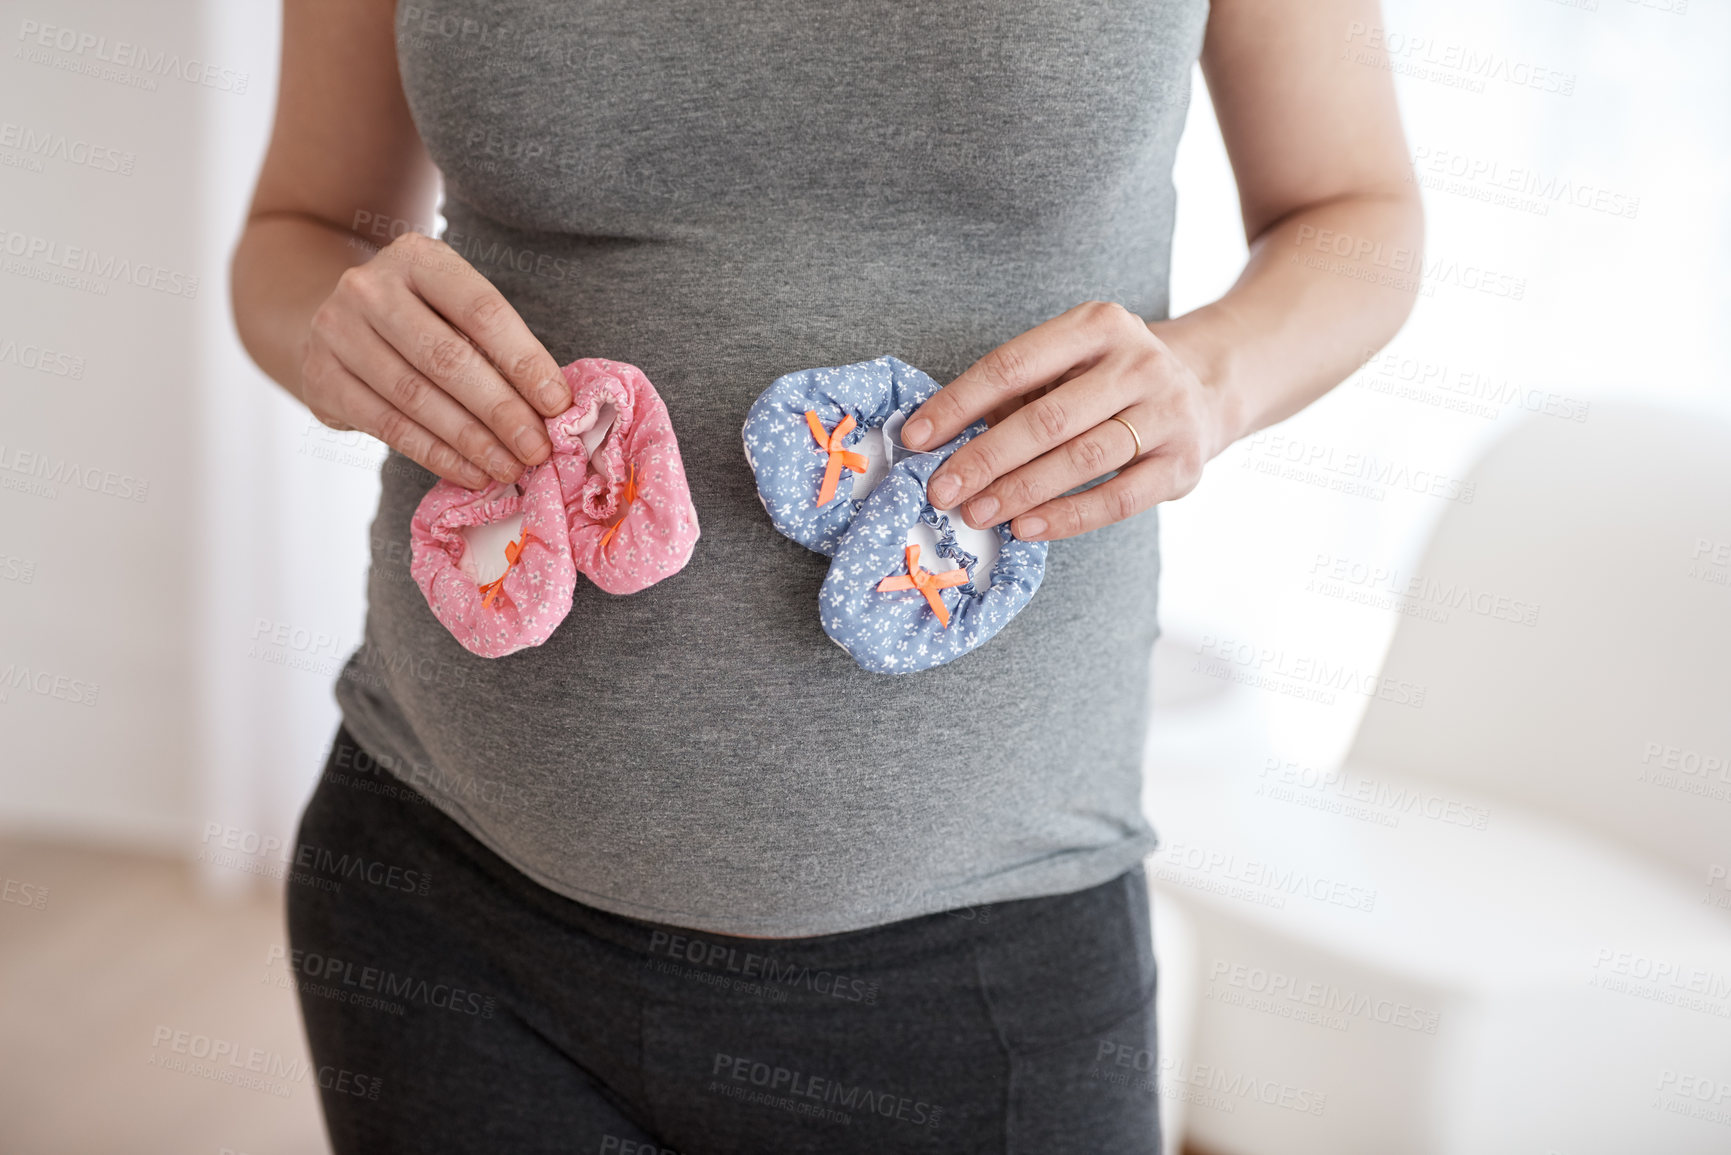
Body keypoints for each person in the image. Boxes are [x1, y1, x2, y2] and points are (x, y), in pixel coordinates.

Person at [230, 0, 1421, 1150]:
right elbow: (295, 232)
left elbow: (1355, 211)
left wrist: (1211, 378)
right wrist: (332, 326)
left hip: (982, 967)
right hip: (447, 924)